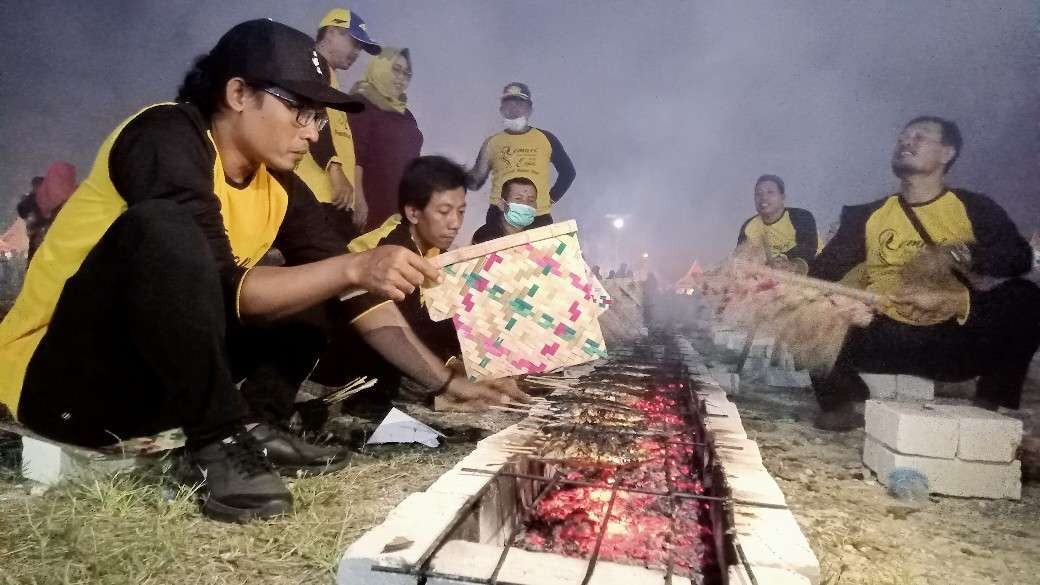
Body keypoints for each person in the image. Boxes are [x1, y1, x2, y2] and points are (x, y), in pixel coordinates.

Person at [0, 20, 521, 523]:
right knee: (165, 227)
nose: (311, 133)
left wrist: (442, 380)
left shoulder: (282, 187)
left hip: (153, 391)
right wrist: (353, 266)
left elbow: (353, 287)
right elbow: (226, 286)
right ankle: (218, 439)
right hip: (61, 380)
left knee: (324, 279)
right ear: (238, 94)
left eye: (318, 117)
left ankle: (256, 421)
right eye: (298, 109)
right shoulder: (164, 136)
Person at [809, 116, 1040, 431]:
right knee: (806, 309)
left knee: (1026, 298)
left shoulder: (973, 207)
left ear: (947, 154)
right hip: (886, 334)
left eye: (920, 136)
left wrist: (954, 255)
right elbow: (822, 271)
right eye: (903, 136)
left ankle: (987, 407)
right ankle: (841, 403)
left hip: (952, 339)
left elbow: (1018, 257)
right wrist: (761, 281)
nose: (906, 141)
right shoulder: (867, 216)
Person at [312, 156, 521, 415]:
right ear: (412, 212)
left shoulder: (437, 255)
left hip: (394, 376)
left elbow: (431, 328)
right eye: (444, 212)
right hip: (348, 379)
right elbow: (390, 333)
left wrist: (470, 369)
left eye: (461, 211)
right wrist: (448, 382)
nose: (455, 223)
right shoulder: (377, 254)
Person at [295, 8, 381, 242]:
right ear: (331, 31)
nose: (357, 52)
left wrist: (357, 199)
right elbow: (310, 117)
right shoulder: (313, 65)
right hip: (317, 195)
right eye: (353, 42)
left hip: (333, 198)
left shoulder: (329, 76)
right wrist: (334, 170)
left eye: (361, 48)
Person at [466, 82, 575, 229]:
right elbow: (475, 180)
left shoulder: (546, 138)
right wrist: (451, 172)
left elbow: (568, 172)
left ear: (529, 109)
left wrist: (551, 198)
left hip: (537, 217)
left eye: (519, 103)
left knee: (539, 253)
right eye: (509, 104)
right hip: (499, 218)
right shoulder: (492, 143)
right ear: (501, 110)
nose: (514, 109)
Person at [341, 47, 423, 231]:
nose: (401, 78)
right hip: (372, 199)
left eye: (406, 74)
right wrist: (358, 199)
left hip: (400, 202)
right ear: (380, 68)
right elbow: (355, 155)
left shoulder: (406, 114)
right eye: (396, 69)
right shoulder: (361, 103)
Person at [736, 174, 818, 273]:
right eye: (758, 193)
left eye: (770, 192)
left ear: (782, 197)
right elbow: (739, 258)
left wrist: (783, 259)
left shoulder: (800, 216)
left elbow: (808, 248)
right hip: (773, 277)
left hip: (813, 267)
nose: (763, 197)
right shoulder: (749, 226)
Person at [471, 176, 538, 244]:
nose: (525, 204)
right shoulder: (485, 236)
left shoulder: (538, 235)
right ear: (502, 204)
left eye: (531, 200)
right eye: (518, 199)